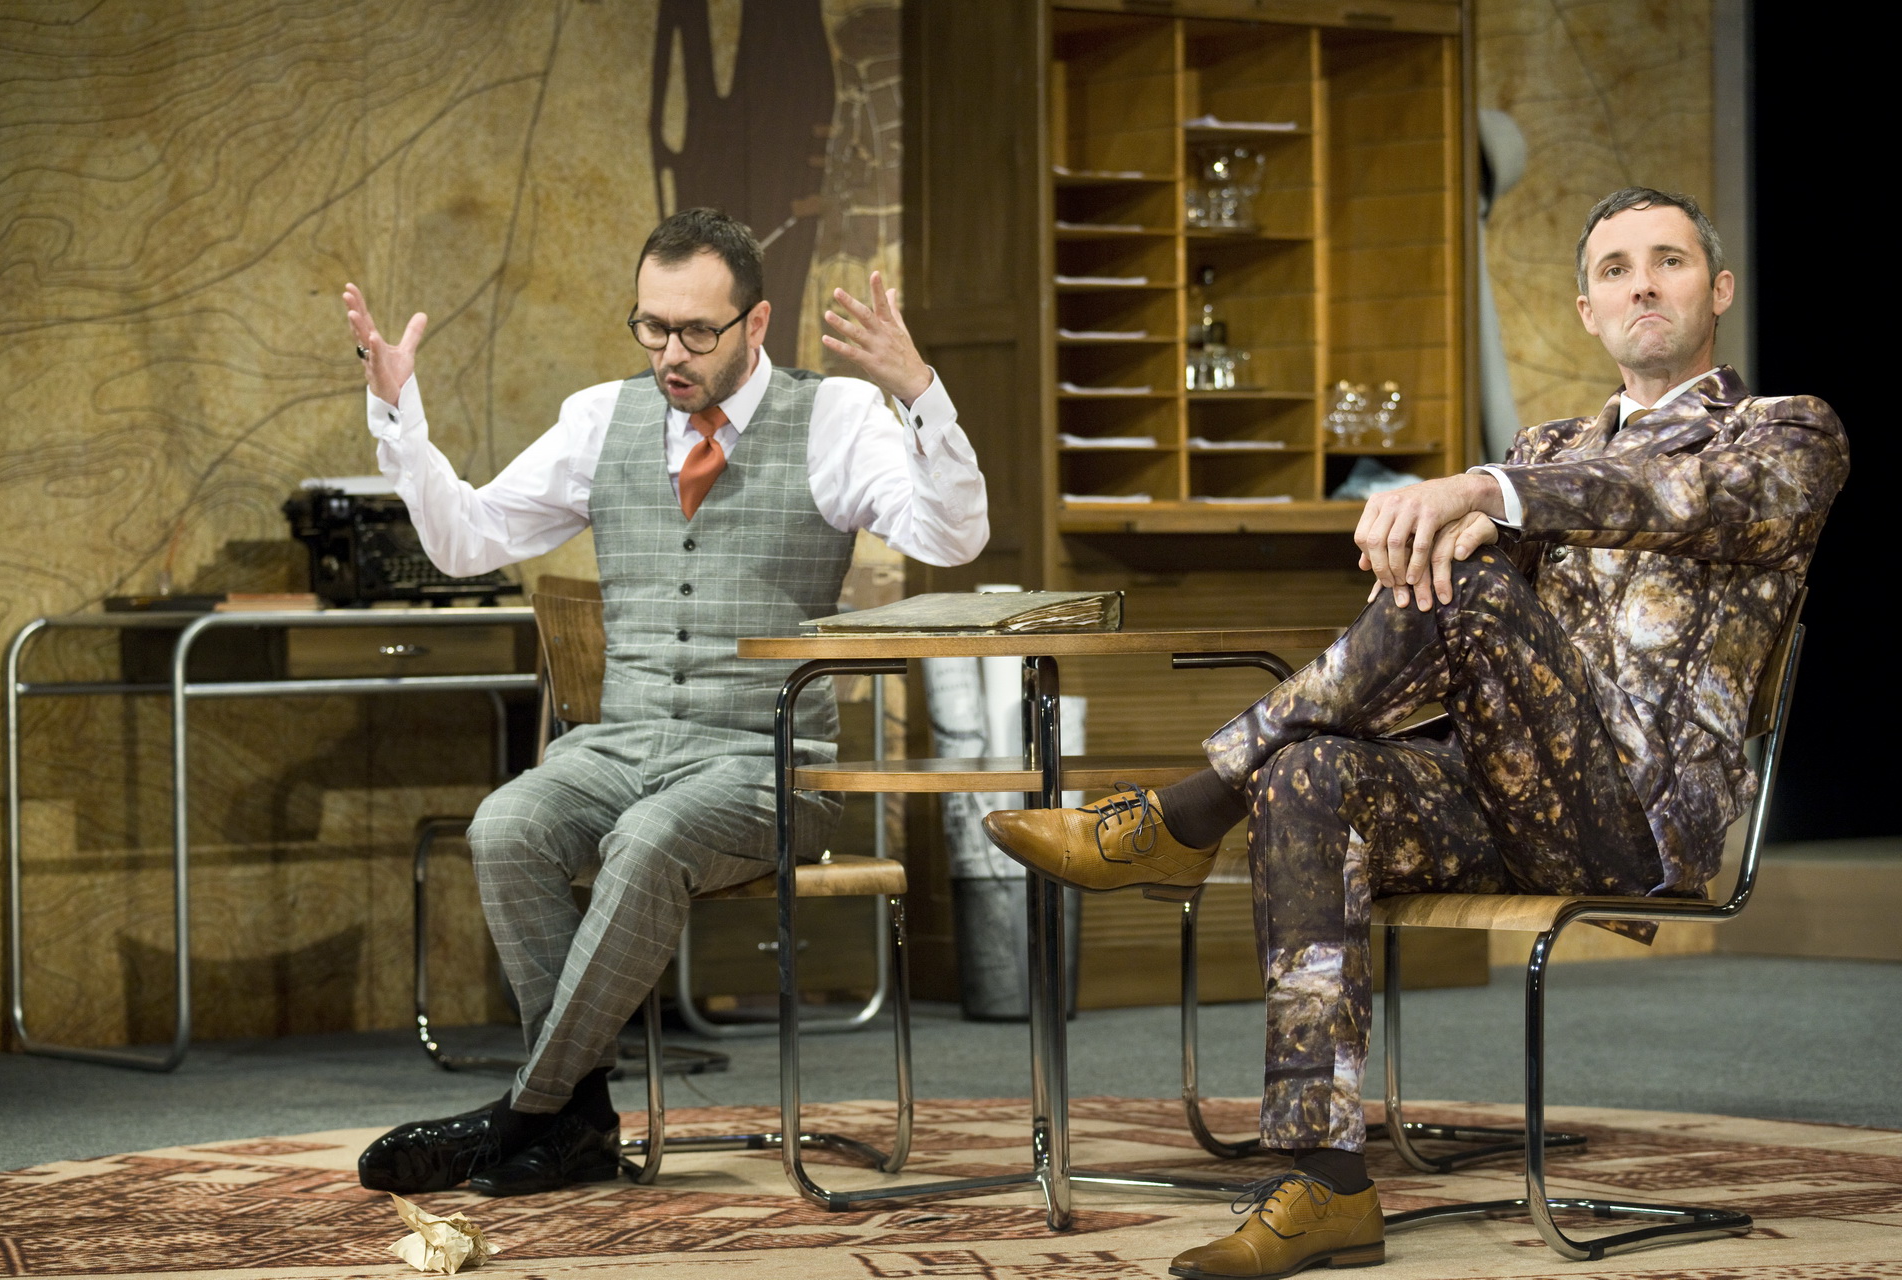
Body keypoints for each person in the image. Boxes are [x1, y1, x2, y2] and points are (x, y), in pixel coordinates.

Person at [983, 186, 1847, 1279]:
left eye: (1668, 261)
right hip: (1502, 795)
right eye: (1616, 268)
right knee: (1311, 772)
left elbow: (1671, 497)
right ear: (1586, 310)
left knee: (1471, 587)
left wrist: (1482, 492)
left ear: (1717, 290)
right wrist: (1429, 542)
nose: (1643, 284)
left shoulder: (1786, 431)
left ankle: (1188, 811)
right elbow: (1456, 633)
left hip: (1632, 828)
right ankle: (1326, 1182)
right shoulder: (1547, 448)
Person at [342, 208, 988, 1198]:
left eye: (696, 331)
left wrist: (920, 394)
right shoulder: (601, 417)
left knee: (648, 838)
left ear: (755, 323)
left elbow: (952, 538)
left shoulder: (837, 416)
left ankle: (525, 1112)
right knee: (508, 823)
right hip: (622, 748)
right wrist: (401, 415)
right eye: (651, 326)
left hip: (769, 766)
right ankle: (578, 1122)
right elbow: (468, 540)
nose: (670, 354)